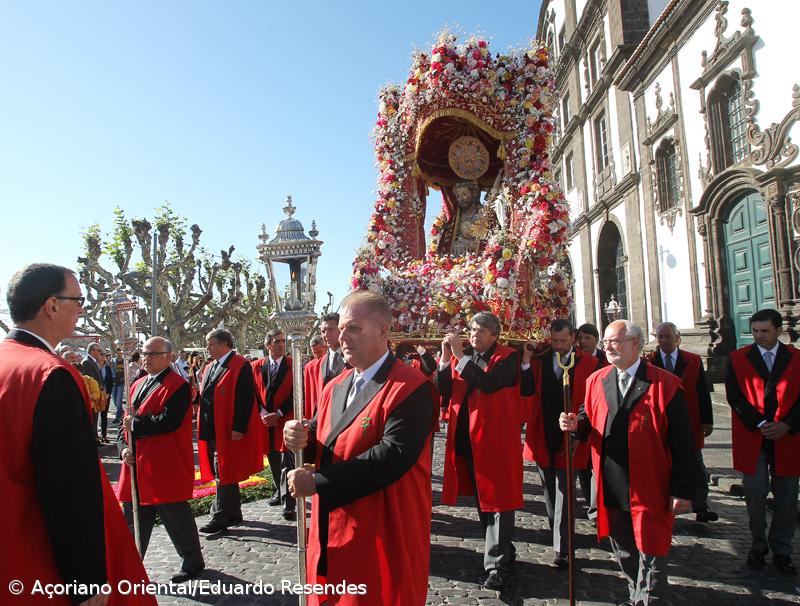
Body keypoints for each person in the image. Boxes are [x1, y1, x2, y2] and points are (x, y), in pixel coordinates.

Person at [0, 263, 153, 606]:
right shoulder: (50, 374)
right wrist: (87, 581)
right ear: (52, 306)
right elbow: (69, 486)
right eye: (78, 300)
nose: (82, 310)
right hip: (38, 559)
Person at [284, 291, 436, 606]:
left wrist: (317, 482)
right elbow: (326, 441)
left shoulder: (411, 387)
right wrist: (300, 439)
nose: (342, 337)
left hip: (381, 529)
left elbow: (392, 457)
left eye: (353, 328)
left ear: (383, 331)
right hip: (333, 526)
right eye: (341, 329)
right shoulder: (334, 386)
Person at [560, 319, 698, 605]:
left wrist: (682, 489)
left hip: (650, 482)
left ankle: (649, 599)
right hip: (610, 479)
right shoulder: (597, 380)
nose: (608, 347)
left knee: (652, 545)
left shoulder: (665, 384)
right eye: (606, 342)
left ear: (635, 343)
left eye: (615, 341)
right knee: (622, 544)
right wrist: (575, 424)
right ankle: (636, 592)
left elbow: (684, 444)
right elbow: (588, 417)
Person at [438, 311, 522, 590]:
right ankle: (503, 549)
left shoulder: (508, 357)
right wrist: (445, 358)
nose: (474, 335)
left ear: (495, 335)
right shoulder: (464, 356)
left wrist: (458, 357)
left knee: (499, 501)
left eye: (481, 331)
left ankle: (496, 566)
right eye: (472, 329)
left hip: (494, 441)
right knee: (484, 501)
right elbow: (445, 389)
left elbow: (489, 383)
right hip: (468, 440)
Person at [117, 336, 204, 582]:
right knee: (134, 516)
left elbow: (170, 421)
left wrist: (136, 424)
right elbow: (123, 423)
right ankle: (130, 564)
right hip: (136, 463)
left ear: (168, 357)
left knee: (175, 515)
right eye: (144, 353)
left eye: (153, 354)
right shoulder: (137, 383)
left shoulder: (178, 386)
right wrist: (123, 449)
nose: (146, 358)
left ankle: (192, 559)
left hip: (164, 462)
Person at [726, 308, 800, 575]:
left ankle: (782, 549)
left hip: (787, 436)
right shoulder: (738, 358)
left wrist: (787, 424)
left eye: (764, 331)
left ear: (778, 331)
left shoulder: (796, 358)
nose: (758, 336)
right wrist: (759, 423)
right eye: (755, 331)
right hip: (753, 436)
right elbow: (735, 397)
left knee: (787, 495)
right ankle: (758, 545)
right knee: (755, 492)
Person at [520, 319, 598, 568]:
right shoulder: (542, 359)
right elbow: (526, 387)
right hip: (544, 432)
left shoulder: (589, 363)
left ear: (573, 337)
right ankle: (558, 532)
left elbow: (591, 404)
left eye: (563, 341)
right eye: (554, 341)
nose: (558, 345)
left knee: (565, 491)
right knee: (550, 492)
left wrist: (578, 435)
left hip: (571, 434)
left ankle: (563, 548)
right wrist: (526, 358)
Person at [648, 321, 717, 523]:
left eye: (668, 336)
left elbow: (702, 391)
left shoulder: (693, 360)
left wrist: (707, 420)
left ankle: (701, 505)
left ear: (678, 338)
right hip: (662, 421)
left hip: (689, 419)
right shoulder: (649, 361)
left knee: (695, 463)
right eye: (660, 337)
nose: (664, 341)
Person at [197, 328, 263, 534]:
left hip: (228, 427)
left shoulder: (240, 364)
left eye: (211, 344)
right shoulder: (210, 367)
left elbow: (246, 398)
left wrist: (238, 427)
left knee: (224, 470)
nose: (208, 348)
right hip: (212, 427)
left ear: (225, 344)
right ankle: (234, 512)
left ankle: (219, 516)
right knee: (225, 470)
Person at [252, 329, 296, 521]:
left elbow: (297, 393)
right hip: (265, 420)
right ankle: (280, 491)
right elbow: (252, 392)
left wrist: (278, 414)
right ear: (268, 344)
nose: (282, 344)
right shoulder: (256, 366)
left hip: (284, 419)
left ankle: (289, 504)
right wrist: (263, 413)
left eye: (283, 341)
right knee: (272, 458)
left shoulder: (292, 364)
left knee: (287, 460)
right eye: (277, 341)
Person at [575, 322, 607, 519]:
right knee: (584, 466)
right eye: (580, 338)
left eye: (587, 338)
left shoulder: (605, 359)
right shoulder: (574, 359)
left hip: (600, 416)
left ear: (596, 339)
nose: (583, 341)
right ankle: (591, 504)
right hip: (582, 415)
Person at [303, 312, 345, 420]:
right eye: (323, 331)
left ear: (341, 329)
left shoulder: (354, 360)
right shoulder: (320, 363)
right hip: (323, 421)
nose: (326, 334)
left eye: (331, 330)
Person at [82, 343, 110, 445]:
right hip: (93, 396)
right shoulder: (87, 362)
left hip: (97, 394)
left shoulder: (93, 361)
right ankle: (93, 440)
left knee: (95, 418)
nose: (100, 353)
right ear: (92, 350)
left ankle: (95, 438)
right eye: (99, 351)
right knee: (93, 418)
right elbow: (89, 380)